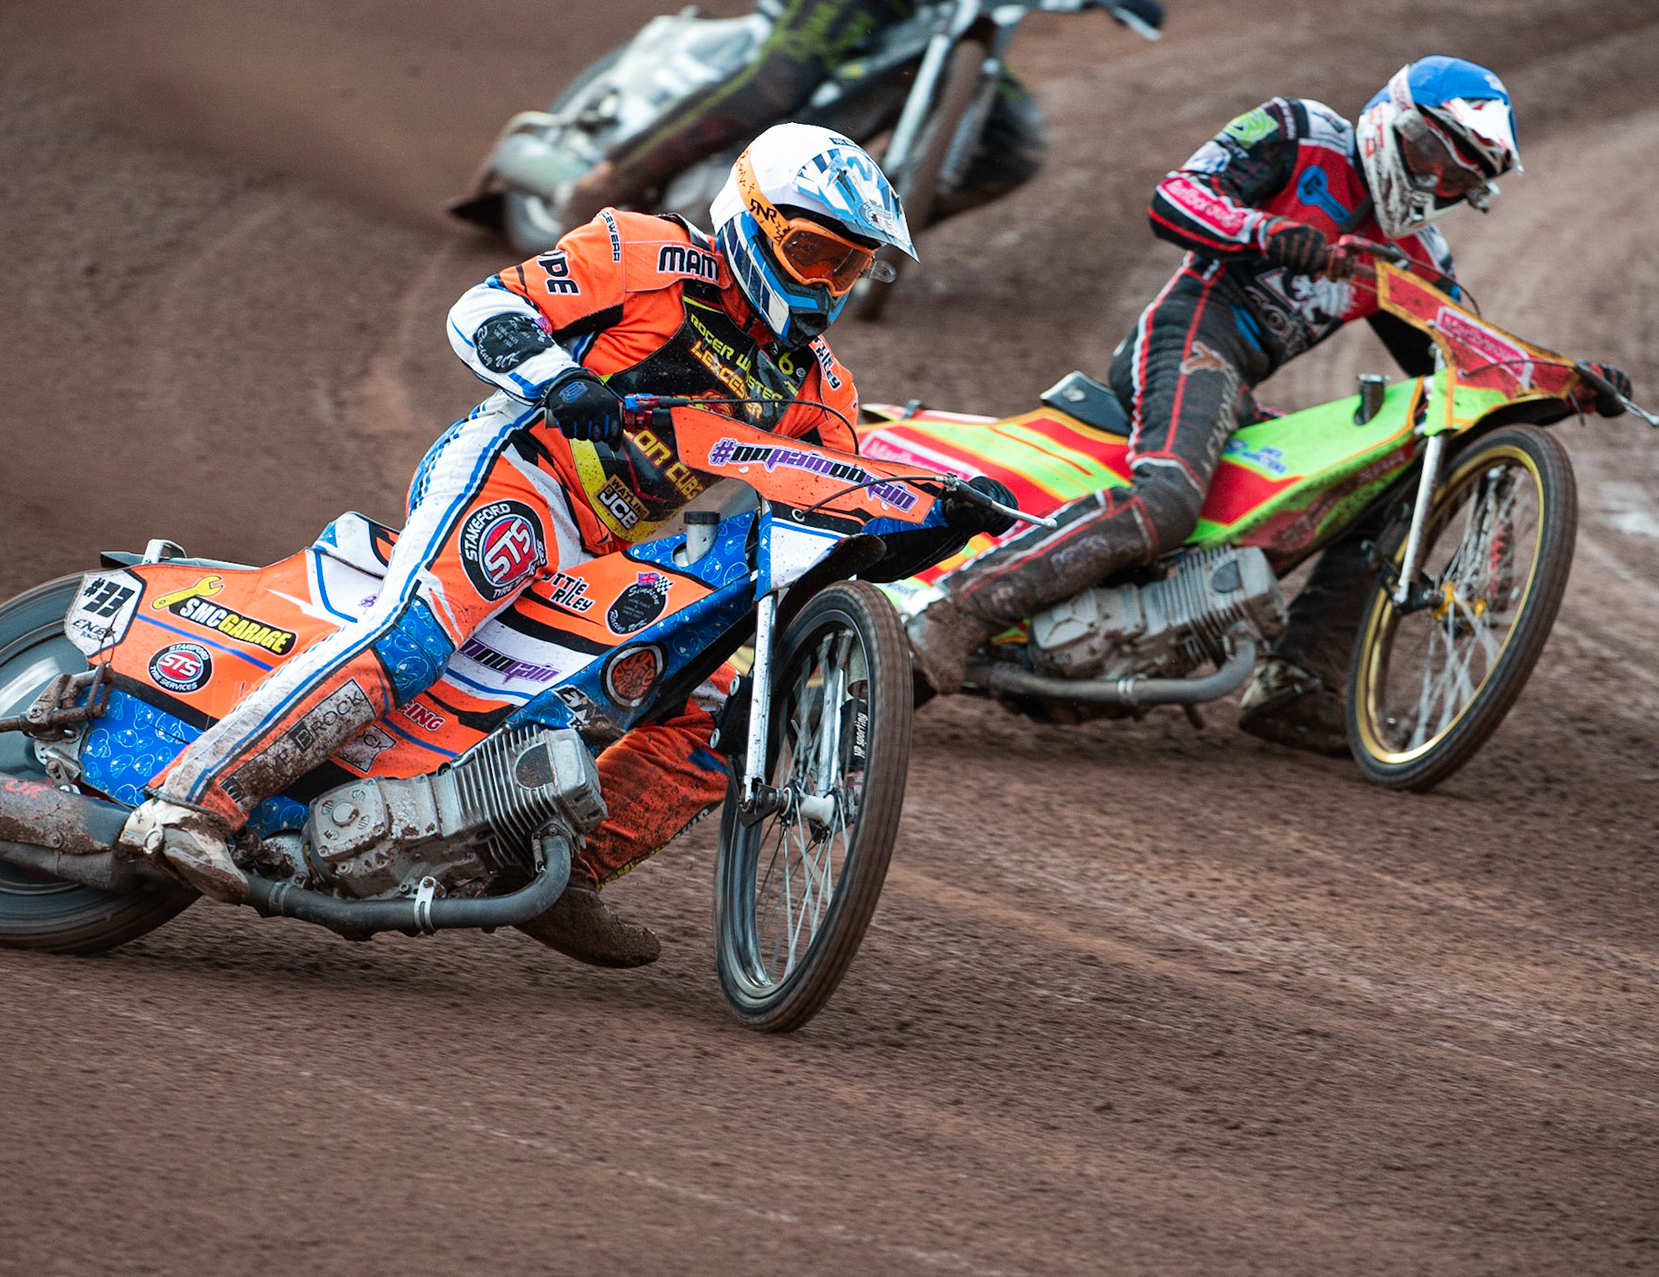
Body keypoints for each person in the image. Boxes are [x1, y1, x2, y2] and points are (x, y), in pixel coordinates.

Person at [119, 124, 916, 967]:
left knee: (709, 715)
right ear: (751, 218)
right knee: (413, 638)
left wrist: (906, 537)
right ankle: (191, 801)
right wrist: (558, 378)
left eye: (849, 268)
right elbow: (483, 308)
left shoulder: (818, 387)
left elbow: (837, 505)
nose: (825, 286)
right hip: (516, 473)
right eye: (812, 253)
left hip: (604, 552)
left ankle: (562, 874)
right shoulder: (647, 253)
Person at [906, 55, 1634, 752]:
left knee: (1382, 479)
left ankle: (1299, 685)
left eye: (1457, 179)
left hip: (1238, 387)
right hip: (1189, 332)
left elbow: (1462, 370)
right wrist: (1272, 234)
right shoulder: (1299, 130)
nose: (1433, 181)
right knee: (1168, 503)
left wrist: (1566, 384)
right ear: (1390, 121)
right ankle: (959, 610)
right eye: (1429, 154)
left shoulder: (1416, 257)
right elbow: (1175, 198)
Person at [561, 0, 1048, 230]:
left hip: (952, 21)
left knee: (1014, 149)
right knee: (779, 81)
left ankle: (845, 240)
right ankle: (611, 181)